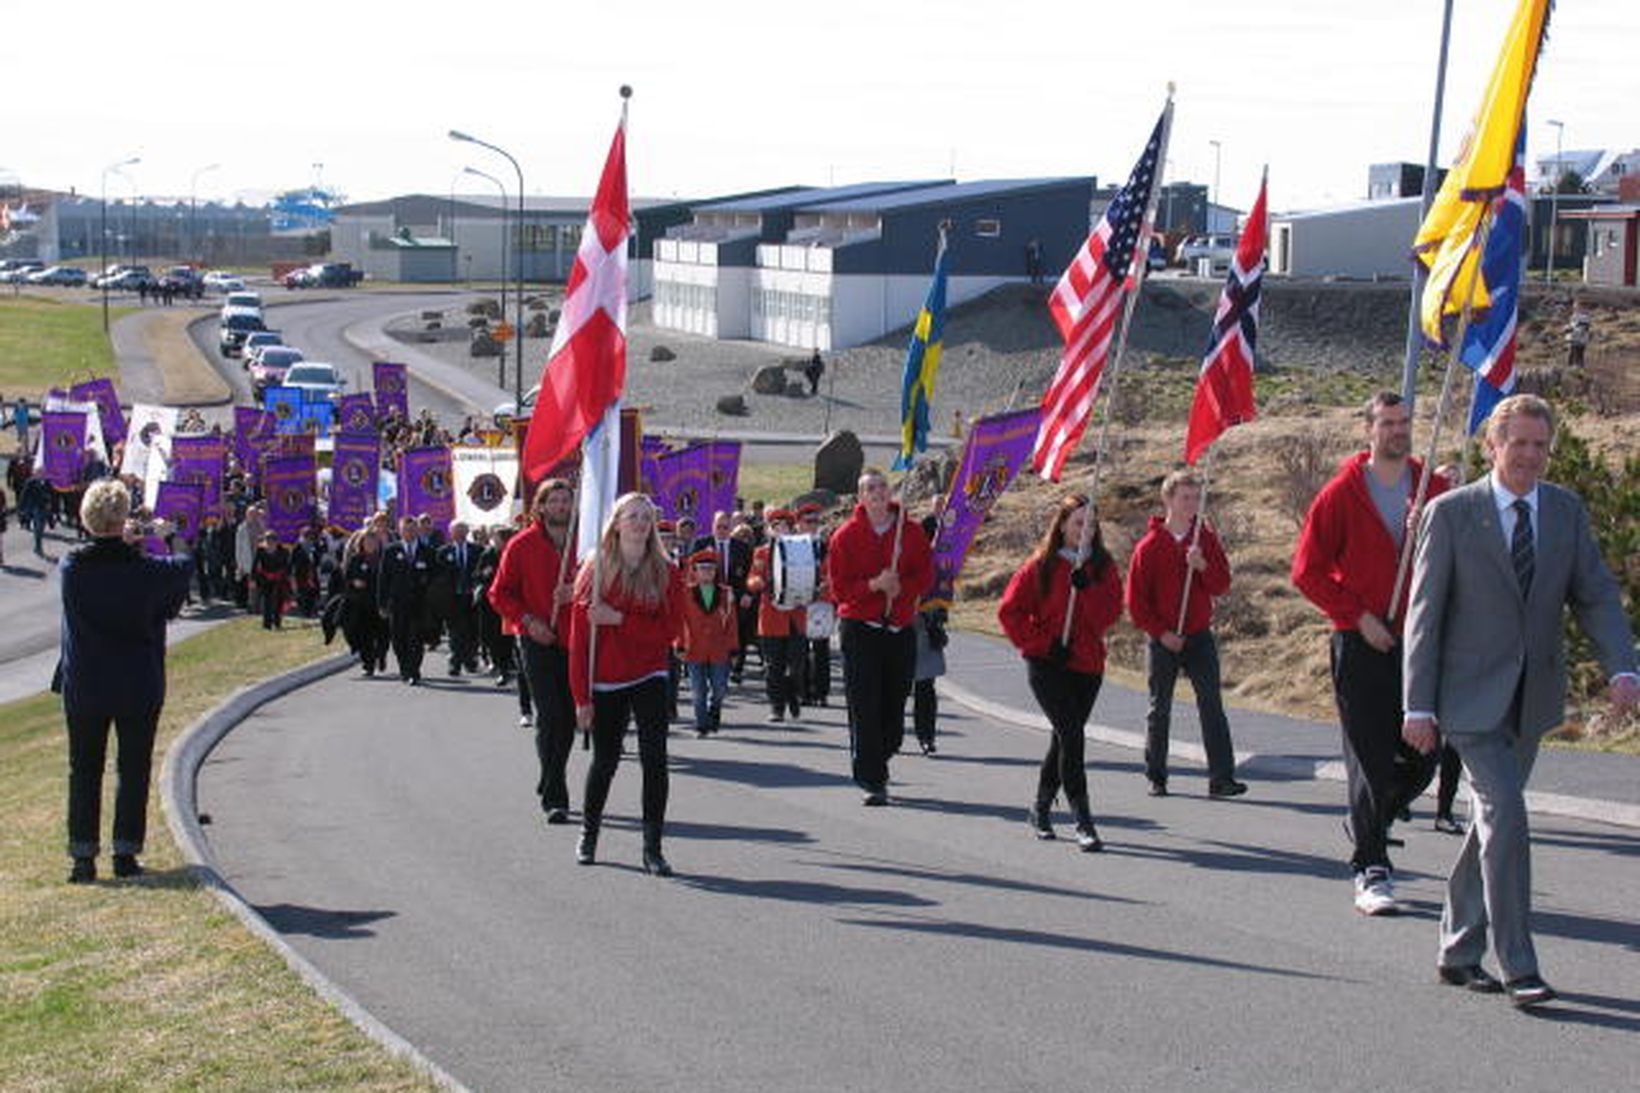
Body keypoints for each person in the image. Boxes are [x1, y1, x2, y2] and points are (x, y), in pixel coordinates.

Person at [1403, 394, 1638, 1007]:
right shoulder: (1452, 513)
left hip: (1531, 699)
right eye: (1520, 444)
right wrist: (1417, 705)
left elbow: (1596, 596)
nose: (1531, 456)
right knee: (1506, 814)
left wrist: (1622, 667)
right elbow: (1424, 617)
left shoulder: (1565, 511)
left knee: (1491, 823)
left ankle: (1457, 950)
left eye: (1540, 445)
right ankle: (1518, 964)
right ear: (1493, 446)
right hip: (1470, 700)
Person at [1292, 391, 1446, 916]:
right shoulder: (1341, 494)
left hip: (1420, 643)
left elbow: (1461, 557)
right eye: (1387, 423)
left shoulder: (1435, 488)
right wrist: (1358, 617)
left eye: (1404, 422)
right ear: (1368, 430)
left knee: (1426, 755)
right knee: (1369, 755)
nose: (1398, 431)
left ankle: (1370, 818)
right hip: (1361, 644)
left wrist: (1428, 531)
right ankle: (1371, 867)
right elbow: (1307, 571)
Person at [55, 479, 193, 882]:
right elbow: (182, 568)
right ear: (123, 519)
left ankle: (83, 856)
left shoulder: (72, 568)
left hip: (86, 682)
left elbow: (104, 560)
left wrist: (123, 540)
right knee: (132, 769)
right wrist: (170, 537)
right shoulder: (146, 570)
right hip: (137, 681)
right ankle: (125, 853)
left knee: (84, 768)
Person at [997, 494, 1123, 851]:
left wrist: (1088, 591)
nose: (1085, 529)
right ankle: (1084, 820)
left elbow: (1109, 613)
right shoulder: (1041, 566)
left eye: (1091, 524)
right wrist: (1043, 644)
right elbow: (1010, 613)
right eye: (1079, 522)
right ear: (1063, 524)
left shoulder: (1101, 566)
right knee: (1072, 736)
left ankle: (1039, 806)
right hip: (1048, 663)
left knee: (1064, 736)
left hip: (1086, 664)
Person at [568, 493, 684, 875]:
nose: (639, 523)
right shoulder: (594, 569)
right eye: (631, 516)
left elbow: (669, 631)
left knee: (656, 760)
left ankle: (653, 847)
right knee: (606, 760)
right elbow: (579, 642)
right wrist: (581, 697)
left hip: (650, 673)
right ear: (616, 523)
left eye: (645, 517)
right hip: (606, 678)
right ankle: (589, 832)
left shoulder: (667, 572)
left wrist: (619, 620)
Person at [1126, 470, 1247, 798]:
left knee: (1212, 705)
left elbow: (1222, 584)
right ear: (1168, 500)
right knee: (1159, 707)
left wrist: (1204, 566)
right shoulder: (1149, 546)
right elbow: (1135, 602)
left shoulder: (1204, 539)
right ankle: (1157, 775)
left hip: (1198, 635)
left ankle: (1221, 778)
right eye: (1185, 498)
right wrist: (1161, 633)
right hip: (1163, 638)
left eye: (1196, 498)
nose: (1192, 504)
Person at [826, 468, 935, 805]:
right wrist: (873, 585)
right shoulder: (844, 536)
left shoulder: (911, 531)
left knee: (894, 703)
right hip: (860, 630)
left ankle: (883, 752)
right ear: (860, 497)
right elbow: (839, 590)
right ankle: (872, 778)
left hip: (899, 628)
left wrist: (903, 587)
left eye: (882, 486)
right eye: (869, 488)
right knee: (864, 705)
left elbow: (926, 573)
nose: (877, 492)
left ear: (890, 492)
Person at [489, 480, 579, 824]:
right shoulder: (521, 544)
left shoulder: (583, 543)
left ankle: (549, 777)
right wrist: (528, 621)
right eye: (553, 500)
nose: (560, 506)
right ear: (540, 506)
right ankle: (557, 795)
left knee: (569, 718)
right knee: (550, 714)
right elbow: (500, 593)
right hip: (535, 638)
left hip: (574, 639)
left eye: (565, 500)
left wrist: (577, 592)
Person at [745, 508, 807, 723]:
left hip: (795, 616)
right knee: (774, 666)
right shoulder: (761, 553)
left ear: (791, 529)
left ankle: (792, 692)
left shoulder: (801, 550)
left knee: (797, 664)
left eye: (784, 527)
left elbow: (810, 574)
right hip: (771, 616)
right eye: (775, 527)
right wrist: (757, 583)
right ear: (770, 530)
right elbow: (752, 578)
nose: (780, 530)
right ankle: (776, 707)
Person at [676, 548, 737, 737]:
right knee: (698, 690)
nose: (707, 573)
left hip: (719, 648)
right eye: (702, 569)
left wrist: (734, 647)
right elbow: (680, 621)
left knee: (719, 688)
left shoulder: (726, 593)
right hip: (694, 648)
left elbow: (732, 622)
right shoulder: (685, 593)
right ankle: (702, 724)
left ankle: (715, 709)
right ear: (695, 571)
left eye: (711, 569)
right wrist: (679, 643)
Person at [691, 510, 754, 682]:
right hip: (709, 595)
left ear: (731, 528)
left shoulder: (742, 548)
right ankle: (711, 665)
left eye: (726, 527)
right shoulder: (701, 544)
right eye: (718, 526)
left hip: (736, 596)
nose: (722, 530)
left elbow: (752, 573)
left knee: (738, 632)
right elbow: (691, 572)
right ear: (712, 526)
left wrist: (748, 593)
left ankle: (736, 667)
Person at [378, 515, 433, 685]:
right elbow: (383, 578)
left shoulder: (427, 552)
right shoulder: (390, 551)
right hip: (397, 604)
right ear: (400, 531)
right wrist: (382, 603)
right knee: (398, 638)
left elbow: (433, 578)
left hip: (419, 604)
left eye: (412, 529)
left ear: (417, 530)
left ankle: (414, 671)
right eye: (405, 530)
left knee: (416, 639)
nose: (409, 532)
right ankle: (404, 668)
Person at [341, 529, 389, 676]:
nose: (370, 544)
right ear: (361, 543)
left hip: (380, 603)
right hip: (362, 604)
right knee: (365, 635)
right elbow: (346, 579)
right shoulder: (356, 559)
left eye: (373, 541)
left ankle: (381, 655)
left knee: (383, 634)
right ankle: (368, 665)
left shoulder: (384, 559)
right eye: (367, 541)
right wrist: (354, 583)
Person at [439, 521, 481, 676]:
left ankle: (470, 659)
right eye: (456, 532)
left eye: (462, 531)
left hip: (471, 596)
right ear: (451, 533)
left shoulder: (477, 550)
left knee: (471, 630)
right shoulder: (443, 552)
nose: (459, 535)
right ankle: (455, 662)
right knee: (454, 631)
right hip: (452, 598)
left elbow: (481, 571)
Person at [252, 531, 290, 630]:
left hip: (279, 579)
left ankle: (277, 622)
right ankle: (267, 624)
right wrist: (253, 579)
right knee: (267, 602)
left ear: (276, 541)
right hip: (265, 579)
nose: (270, 543)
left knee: (278, 601)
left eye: (272, 540)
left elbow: (287, 566)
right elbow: (255, 566)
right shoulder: (260, 551)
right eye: (268, 540)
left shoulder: (284, 551)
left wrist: (285, 577)